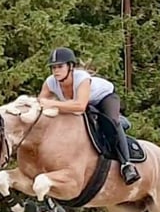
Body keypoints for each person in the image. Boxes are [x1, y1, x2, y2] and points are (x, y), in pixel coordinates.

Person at [38, 47, 141, 185]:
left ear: (70, 66)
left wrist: (52, 104)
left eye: (60, 66)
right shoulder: (50, 82)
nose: (56, 71)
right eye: (53, 67)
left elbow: (80, 106)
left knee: (111, 121)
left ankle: (127, 165)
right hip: (82, 103)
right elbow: (40, 103)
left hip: (104, 98)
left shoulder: (82, 78)